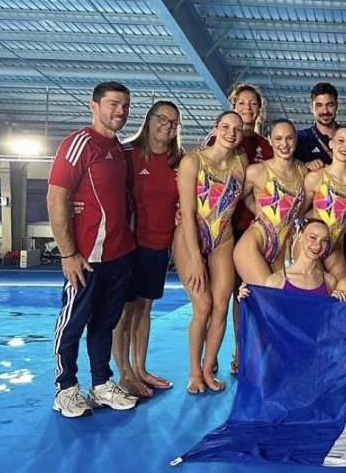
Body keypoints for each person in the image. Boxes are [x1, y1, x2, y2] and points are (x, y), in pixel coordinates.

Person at [47, 81, 138, 417]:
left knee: (105, 324)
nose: (120, 111)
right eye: (113, 104)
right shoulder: (79, 143)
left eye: (125, 106)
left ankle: (100, 384)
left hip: (119, 254)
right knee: (73, 323)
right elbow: (56, 196)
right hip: (87, 257)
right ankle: (65, 387)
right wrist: (68, 254)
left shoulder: (119, 150)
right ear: (94, 106)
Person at [113, 100, 184, 398]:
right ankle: (124, 373)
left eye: (173, 123)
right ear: (149, 119)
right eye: (162, 119)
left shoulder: (178, 160)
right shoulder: (126, 153)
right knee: (125, 310)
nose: (166, 127)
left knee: (145, 307)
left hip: (160, 244)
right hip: (132, 244)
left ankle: (140, 368)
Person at [173, 111, 246, 394]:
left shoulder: (242, 162)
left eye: (237, 129)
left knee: (221, 306)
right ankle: (194, 371)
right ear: (215, 129)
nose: (231, 132)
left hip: (222, 237)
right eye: (225, 127)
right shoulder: (193, 161)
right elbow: (188, 214)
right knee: (202, 306)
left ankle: (208, 367)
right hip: (191, 235)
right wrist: (195, 259)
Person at [205, 84, 274, 375]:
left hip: (252, 229)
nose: (247, 108)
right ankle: (209, 358)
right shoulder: (216, 138)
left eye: (252, 104)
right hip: (219, 229)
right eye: (242, 102)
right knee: (215, 299)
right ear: (234, 104)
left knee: (241, 295)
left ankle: (239, 350)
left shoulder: (264, 145)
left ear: (259, 109)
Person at [294, 82, 346, 280]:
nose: (325, 110)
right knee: (307, 281)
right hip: (312, 226)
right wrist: (305, 165)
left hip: (343, 230)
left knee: (342, 285)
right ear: (312, 108)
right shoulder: (301, 138)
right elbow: (288, 174)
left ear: (337, 106)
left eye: (330, 105)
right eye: (319, 105)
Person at [234, 119, 307, 286]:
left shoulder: (303, 172)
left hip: (280, 248)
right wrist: (257, 210)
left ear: (295, 139)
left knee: (279, 301)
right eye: (278, 138)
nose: (284, 144)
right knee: (269, 295)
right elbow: (235, 199)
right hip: (253, 244)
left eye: (289, 138)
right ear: (270, 140)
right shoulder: (256, 171)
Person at [302, 125, 346, 279]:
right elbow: (297, 213)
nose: (345, 146)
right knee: (312, 286)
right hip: (312, 243)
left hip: (336, 245)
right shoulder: (315, 177)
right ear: (331, 143)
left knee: (342, 291)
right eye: (341, 141)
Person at [239, 218, 337, 298]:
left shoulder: (330, 282)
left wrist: (340, 299)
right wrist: (248, 299)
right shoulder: (276, 281)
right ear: (300, 237)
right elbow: (266, 315)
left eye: (324, 240)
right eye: (313, 237)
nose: (318, 245)